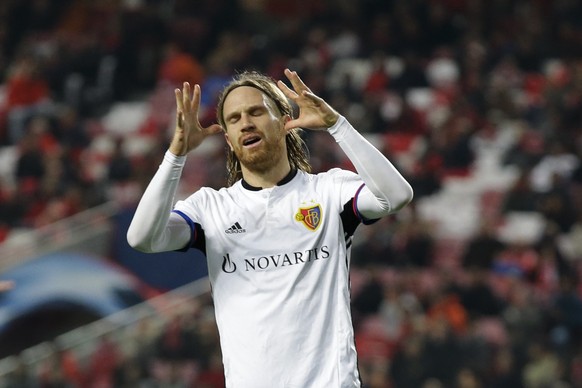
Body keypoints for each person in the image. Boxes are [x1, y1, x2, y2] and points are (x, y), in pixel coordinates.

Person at [127, 68, 413, 387]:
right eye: (234, 119)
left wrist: (338, 125)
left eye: (255, 111)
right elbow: (142, 238)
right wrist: (176, 154)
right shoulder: (210, 208)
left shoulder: (329, 192)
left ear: (284, 119)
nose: (245, 122)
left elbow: (396, 196)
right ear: (229, 139)